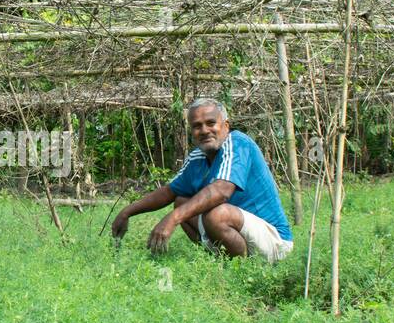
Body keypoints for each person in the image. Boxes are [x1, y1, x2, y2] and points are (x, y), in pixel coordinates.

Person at [110, 98, 294, 262]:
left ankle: (240, 270)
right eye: (197, 126)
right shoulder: (197, 157)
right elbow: (169, 192)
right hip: (239, 235)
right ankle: (217, 261)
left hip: (273, 240)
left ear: (226, 126)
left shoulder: (238, 143)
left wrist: (172, 219)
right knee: (182, 202)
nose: (204, 130)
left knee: (216, 215)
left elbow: (222, 190)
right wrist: (127, 212)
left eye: (211, 123)